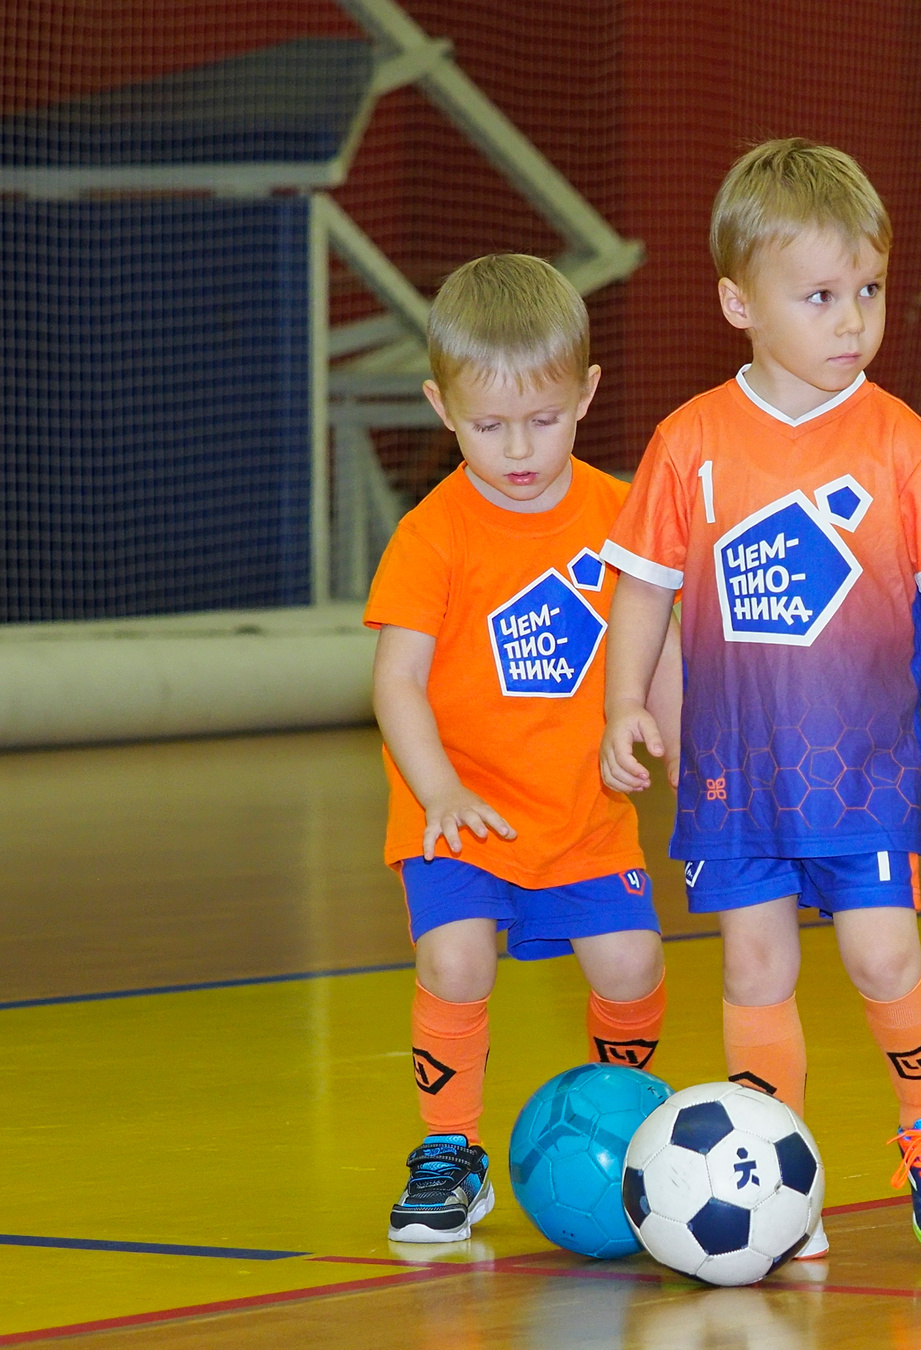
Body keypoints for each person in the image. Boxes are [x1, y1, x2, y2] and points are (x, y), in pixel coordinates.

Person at [598, 139, 921, 1255]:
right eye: (822, 296)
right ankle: (773, 1175)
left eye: (870, 291)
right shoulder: (689, 442)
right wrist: (624, 702)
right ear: (739, 303)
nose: (854, 322)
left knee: (883, 956)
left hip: (862, 774)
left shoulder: (902, 444)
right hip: (733, 775)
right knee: (755, 967)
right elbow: (639, 587)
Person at [365, 253, 681, 1243]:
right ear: (441, 408)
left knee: (630, 962)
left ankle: (625, 1123)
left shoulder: (621, 514)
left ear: (585, 394)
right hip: (459, 812)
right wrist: (439, 792)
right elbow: (397, 682)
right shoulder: (432, 535)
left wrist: (685, 756)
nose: (517, 450)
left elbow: (657, 644)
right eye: (488, 425)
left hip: (581, 811)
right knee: (456, 958)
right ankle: (450, 1152)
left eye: (543, 421)